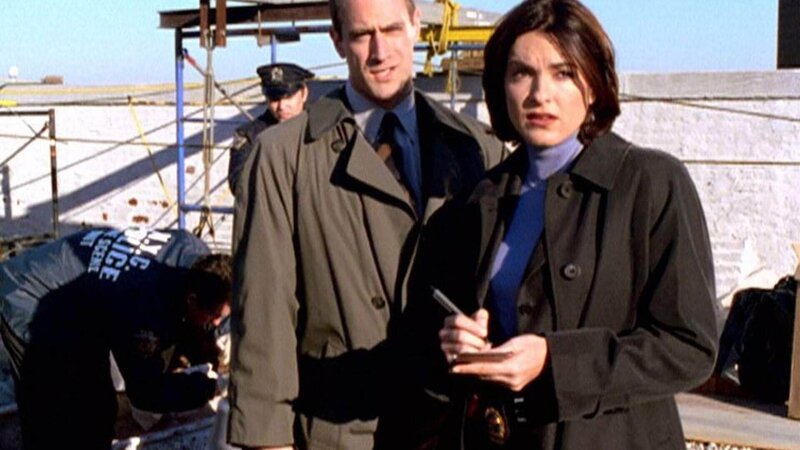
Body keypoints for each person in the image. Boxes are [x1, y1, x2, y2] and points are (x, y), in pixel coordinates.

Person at [407, 0, 719, 448]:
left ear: (593, 83)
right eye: (521, 73)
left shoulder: (650, 184)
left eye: (563, 73)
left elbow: (690, 346)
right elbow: (433, 343)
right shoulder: (477, 202)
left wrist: (556, 361)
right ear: (501, 85)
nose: (540, 94)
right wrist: (456, 340)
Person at [227, 0, 506, 448]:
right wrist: (267, 440)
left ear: (416, 26)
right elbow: (263, 311)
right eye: (362, 35)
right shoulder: (284, 157)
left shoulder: (475, 149)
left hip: (449, 427)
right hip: (339, 427)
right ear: (337, 40)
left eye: (392, 30)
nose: (380, 52)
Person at [0, 227, 232, 450]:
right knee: (58, 415)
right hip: (29, 297)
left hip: (84, 298)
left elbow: (195, 311)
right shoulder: (146, 307)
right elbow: (146, 393)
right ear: (192, 300)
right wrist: (210, 388)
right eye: (214, 317)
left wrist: (219, 337)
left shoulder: (192, 250)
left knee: (100, 407)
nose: (216, 323)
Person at [227, 62, 314, 195]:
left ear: (304, 94)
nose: (281, 106)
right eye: (274, 99)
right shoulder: (249, 136)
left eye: (288, 97)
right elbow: (239, 184)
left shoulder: (320, 129)